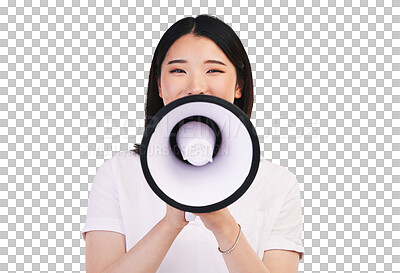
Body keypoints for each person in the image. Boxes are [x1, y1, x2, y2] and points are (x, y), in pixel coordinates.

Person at [82, 15, 304, 273]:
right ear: (160, 86)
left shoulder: (277, 183)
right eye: (178, 70)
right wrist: (171, 223)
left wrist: (223, 225)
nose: (196, 87)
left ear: (239, 85)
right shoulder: (118, 173)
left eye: (214, 70)